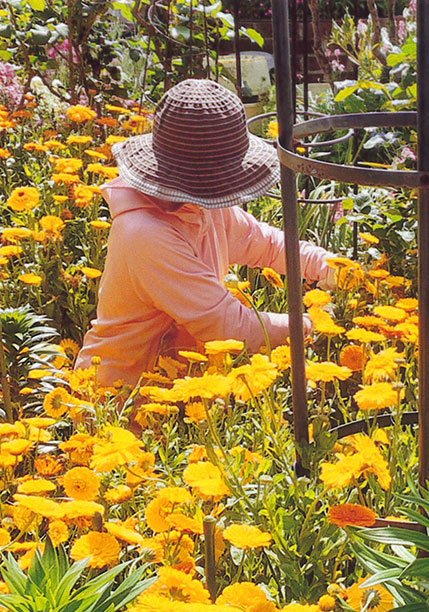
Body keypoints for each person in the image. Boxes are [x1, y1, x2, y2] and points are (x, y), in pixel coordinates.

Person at [76, 78, 333, 387]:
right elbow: (229, 327)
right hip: (121, 401)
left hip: (182, 389)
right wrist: (315, 325)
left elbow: (266, 244)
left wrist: (335, 268)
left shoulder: (201, 206)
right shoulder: (144, 235)